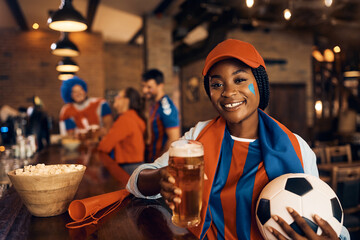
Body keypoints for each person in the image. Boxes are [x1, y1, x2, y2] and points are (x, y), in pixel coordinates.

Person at [126, 39, 350, 239]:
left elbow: (326, 216)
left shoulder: (297, 148)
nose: (228, 92)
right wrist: (159, 177)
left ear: (260, 85)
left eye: (240, 79)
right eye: (217, 84)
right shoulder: (197, 137)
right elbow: (135, 181)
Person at [98, 87, 146, 175]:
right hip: (136, 165)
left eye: (119, 96)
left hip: (128, 167)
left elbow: (104, 146)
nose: (115, 98)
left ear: (126, 101)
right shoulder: (134, 116)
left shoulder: (125, 119)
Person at [141, 69, 180, 162]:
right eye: (143, 86)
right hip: (151, 159)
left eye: (149, 87)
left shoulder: (166, 106)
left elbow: (174, 138)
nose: (144, 90)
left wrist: (159, 162)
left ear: (160, 86)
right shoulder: (153, 104)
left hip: (160, 163)